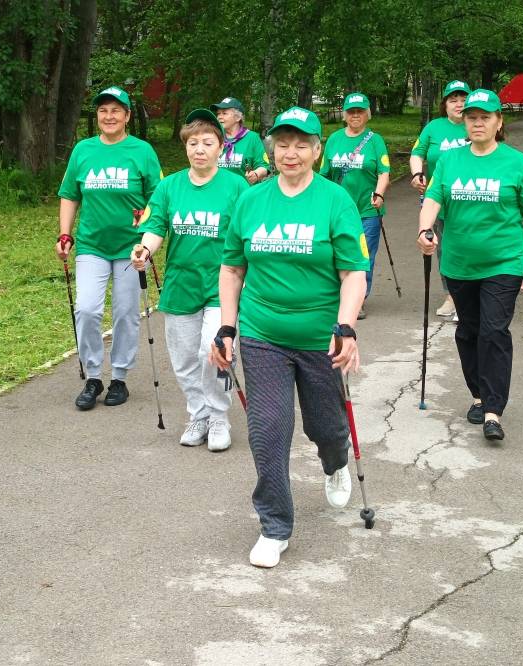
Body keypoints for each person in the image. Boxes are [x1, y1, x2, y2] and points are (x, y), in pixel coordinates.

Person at [210, 106, 369, 568]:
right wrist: (227, 327)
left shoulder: (335, 201)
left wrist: (346, 328)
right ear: (271, 149)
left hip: (321, 336)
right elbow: (232, 268)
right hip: (263, 335)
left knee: (324, 425)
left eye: (302, 144)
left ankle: (336, 461)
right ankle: (274, 525)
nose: (291, 152)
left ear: (318, 150)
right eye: (283, 143)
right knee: (269, 429)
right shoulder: (250, 201)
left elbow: (353, 273)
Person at [417, 89, 523, 442]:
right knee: (468, 332)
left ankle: (493, 409)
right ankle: (477, 394)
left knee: (493, 331)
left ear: (498, 122)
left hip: (503, 262)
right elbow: (433, 199)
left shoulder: (516, 163)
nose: (477, 122)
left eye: (485, 117)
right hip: (458, 264)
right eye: (471, 117)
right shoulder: (450, 161)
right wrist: (425, 229)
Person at [130, 109, 248, 451]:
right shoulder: (169, 187)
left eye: (207, 142)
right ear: (185, 147)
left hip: (220, 288)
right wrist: (144, 250)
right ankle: (198, 414)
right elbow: (153, 228)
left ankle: (219, 417)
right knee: (183, 359)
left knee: (212, 351)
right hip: (181, 285)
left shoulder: (236, 186)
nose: (199, 149)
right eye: (193, 143)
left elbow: (246, 232)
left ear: (221, 148)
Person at [57, 85, 163, 410]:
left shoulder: (142, 151)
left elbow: (158, 199)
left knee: (125, 312)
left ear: (128, 116)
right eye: (103, 110)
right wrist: (65, 234)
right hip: (92, 244)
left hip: (131, 249)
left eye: (116, 110)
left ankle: (119, 377)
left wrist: (145, 222)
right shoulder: (83, 151)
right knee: (87, 309)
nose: (109, 116)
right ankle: (93, 376)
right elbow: (70, 194)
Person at [319, 92, 389, 313]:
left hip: (368, 208)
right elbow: (324, 174)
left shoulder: (375, 141)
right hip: (338, 210)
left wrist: (379, 194)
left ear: (368, 114)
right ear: (345, 114)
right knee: (336, 252)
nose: (355, 115)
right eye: (351, 111)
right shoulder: (334, 140)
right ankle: (339, 294)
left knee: (364, 254)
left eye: (360, 111)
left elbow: (384, 172)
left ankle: (357, 300)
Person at [409, 80, 472, 321]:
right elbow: (417, 153)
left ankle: (466, 299)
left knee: (466, 249)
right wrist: (417, 173)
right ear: (444, 104)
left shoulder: (475, 126)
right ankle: (451, 296)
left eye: (462, 99)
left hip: (470, 201)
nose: (458, 104)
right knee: (444, 250)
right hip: (439, 203)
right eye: (453, 100)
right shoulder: (434, 127)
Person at [211, 97, 270, 185]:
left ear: (238, 117)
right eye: (218, 113)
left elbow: (264, 166)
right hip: (220, 192)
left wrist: (256, 174)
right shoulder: (214, 137)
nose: (219, 117)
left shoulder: (252, 138)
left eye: (224, 113)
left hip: (244, 194)